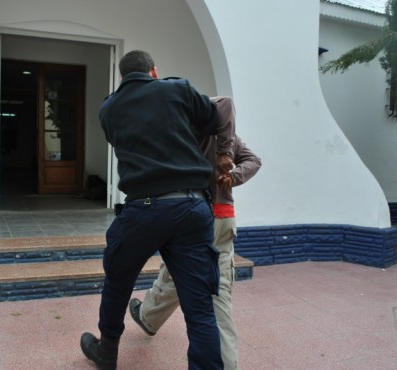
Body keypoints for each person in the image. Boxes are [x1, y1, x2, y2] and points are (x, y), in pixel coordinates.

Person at [80, 50, 235, 370]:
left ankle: (107, 352)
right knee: (200, 305)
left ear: (122, 78)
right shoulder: (178, 89)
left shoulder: (109, 108)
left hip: (143, 210)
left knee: (117, 282)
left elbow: (120, 139)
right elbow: (216, 114)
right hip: (192, 207)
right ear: (154, 71)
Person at [129, 96, 262, 370]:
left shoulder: (189, 134)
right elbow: (253, 160)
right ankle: (149, 318)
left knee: (178, 274)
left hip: (190, 217)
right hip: (223, 219)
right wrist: (233, 176)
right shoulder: (231, 138)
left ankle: (148, 317)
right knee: (217, 288)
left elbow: (223, 102)